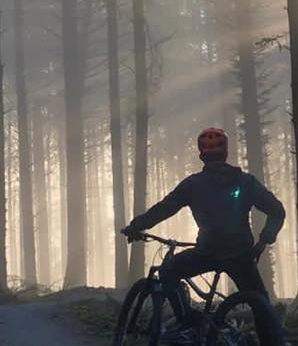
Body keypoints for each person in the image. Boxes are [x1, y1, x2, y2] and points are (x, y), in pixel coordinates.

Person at [122, 127, 285, 305]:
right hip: (241, 255)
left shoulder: (193, 184)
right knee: (261, 305)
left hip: (206, 253)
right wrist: (263, 241)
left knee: (168, 271)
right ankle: (269, 330)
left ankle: (186, 321)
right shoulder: (246, 182)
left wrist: (136, 225)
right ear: (226, 153)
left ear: (202, 155)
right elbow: (277, 211)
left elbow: (164, 209)